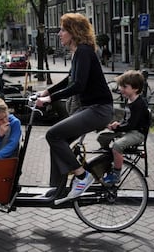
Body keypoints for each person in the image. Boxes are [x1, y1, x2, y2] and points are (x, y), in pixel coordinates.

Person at [35, 13, 113, 204]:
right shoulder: (79, 52)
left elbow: (78, 85)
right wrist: (46, 91)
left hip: (99, 109)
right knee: (58, 141)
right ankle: (58, 189)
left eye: (63, 30)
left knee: (53, 134)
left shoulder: (84, 52)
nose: (59, 33)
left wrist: (50, 99)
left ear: (73, 32)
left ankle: (81, 176)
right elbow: (68, 80)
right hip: (92, 108)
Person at [97, 70, 150, 184]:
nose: (121, 89)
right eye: (121, 86)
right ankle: (108, 161)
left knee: (117, 145)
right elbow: (127, 120)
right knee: (102, 138)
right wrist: (118, 123)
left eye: (124, 87)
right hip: (130, 130)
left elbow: (132, 124)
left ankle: (116, 174)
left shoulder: (139, 104)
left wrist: (118, 128)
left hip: (137, 134)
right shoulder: (130, 100)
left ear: (135, 89)